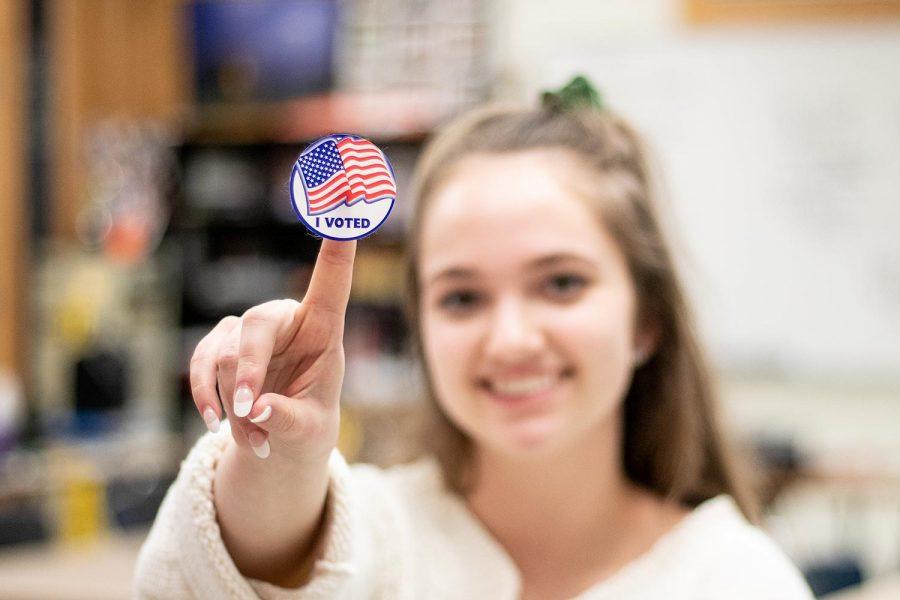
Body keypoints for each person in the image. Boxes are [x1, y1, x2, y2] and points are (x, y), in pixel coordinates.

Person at [134, 76, 815, 599]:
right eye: (461, 297)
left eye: (561, 284)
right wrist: (276, 458)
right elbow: (227, 573)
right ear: (422, 332)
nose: (510, 338)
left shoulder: (736, 577)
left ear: (646, 320)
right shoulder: (374, 540)